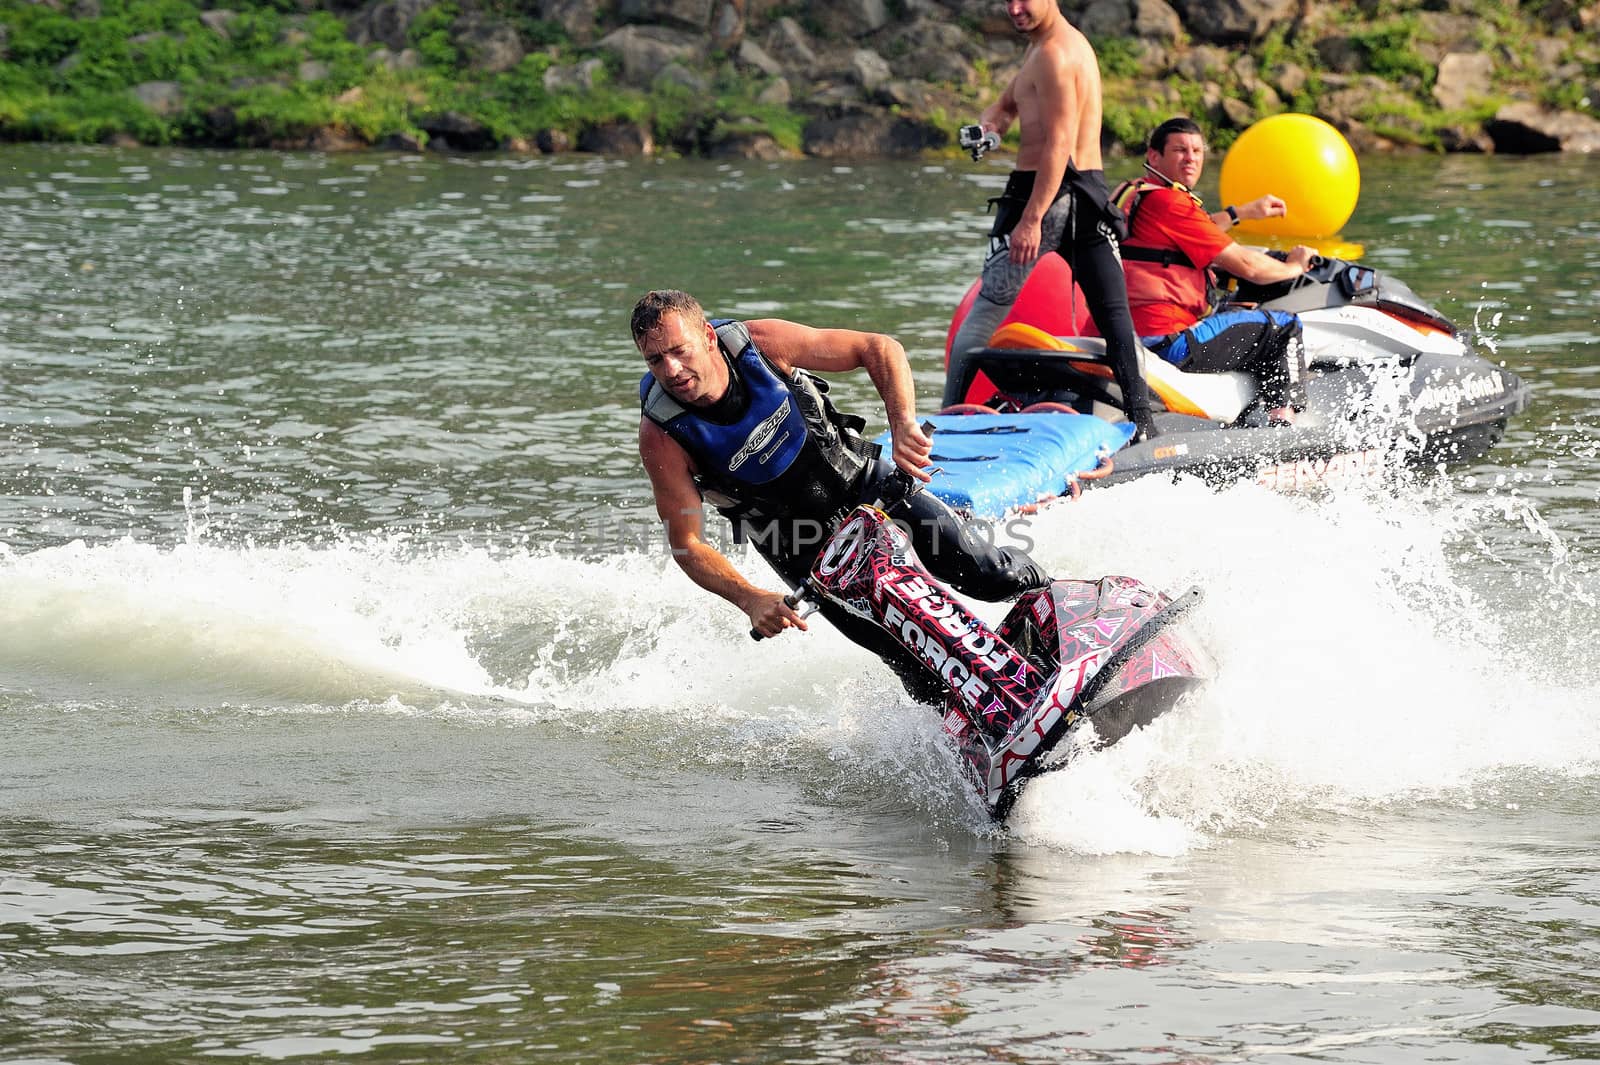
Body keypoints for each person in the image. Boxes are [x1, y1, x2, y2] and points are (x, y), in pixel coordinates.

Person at [633, 289, 1048, 702]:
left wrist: (903, 424)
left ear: (707, 336)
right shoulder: (663, 435)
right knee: (913, 660)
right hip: (803, 552)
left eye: (679, 350)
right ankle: (973, 742)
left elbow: (878, 347)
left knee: (994, 577)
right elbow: (686, 543)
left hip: (867, 488)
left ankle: (1066, 609)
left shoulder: (760, 344)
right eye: (656, 360)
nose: (672, 370)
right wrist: (750, 598)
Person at [944, 0, 1155, 440]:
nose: (1015, 8)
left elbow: (1059, 145)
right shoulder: (1044, 46)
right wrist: (990, 130)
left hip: (1047, 196)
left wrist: (1030, 219)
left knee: (983, 317)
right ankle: (1144, 425)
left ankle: (945, 422)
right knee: (1116, 319)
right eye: (1009, 0)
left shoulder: (1057, 53)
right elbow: (1007, 105)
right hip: (1088, 195)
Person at [1114, 116, 1316, 425]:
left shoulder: (1134, 194)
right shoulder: (1172, 203)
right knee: (1284, 327)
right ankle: (1284, 425)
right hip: (1171, 342)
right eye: (1180, 150)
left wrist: (1243, 212)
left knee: (1236, 310)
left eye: (1197, 150)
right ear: (1154, 156)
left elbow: (1189, 232)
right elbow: (1249, 267)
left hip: (1132, 332)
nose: (1191, 158)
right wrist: (1294, 266)